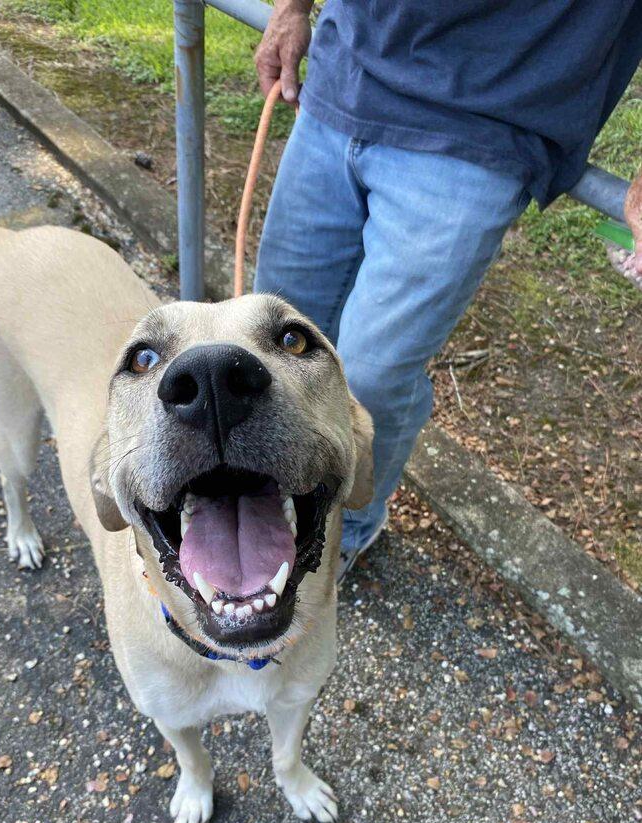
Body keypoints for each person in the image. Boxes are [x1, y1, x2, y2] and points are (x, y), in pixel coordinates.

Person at [253, 0, 642, 580]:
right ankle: (269, 505)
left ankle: (346, 528)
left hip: (488, 117)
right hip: (345, 73)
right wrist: (292, 7)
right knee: (275, 343)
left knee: (372, 378)